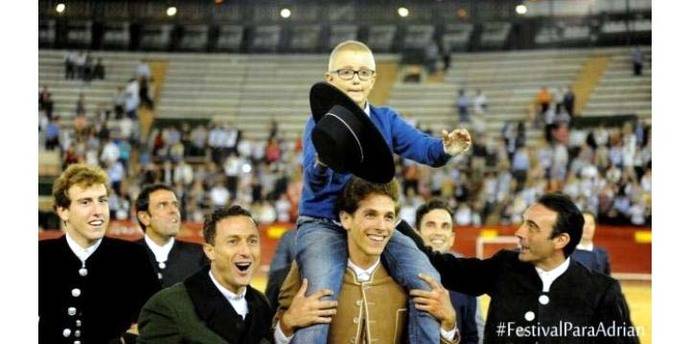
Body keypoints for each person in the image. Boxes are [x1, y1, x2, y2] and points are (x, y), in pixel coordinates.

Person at [295, 39, 472, 343]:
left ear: (374, 79)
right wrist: (324, 160)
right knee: (318, 300)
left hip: (376, 223)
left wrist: (446, 148)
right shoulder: (317, 123)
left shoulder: (386, 119)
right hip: (323, 223)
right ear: (330, 79)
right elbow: (315, 180)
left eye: (364, 73)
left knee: (427, 284)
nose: (355, 79)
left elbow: (425, 149)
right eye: (347, 72)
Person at [398, 193, 639, 343]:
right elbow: (444, 266)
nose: (519, 232)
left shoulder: (602, 292)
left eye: (532, 227)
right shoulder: (505, 265)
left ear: (560, 240)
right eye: (524, 222)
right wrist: (395, 222)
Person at [275, 177, 460, 344]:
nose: (381, 227)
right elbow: (268, 336)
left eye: (388, 217)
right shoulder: (309, 268)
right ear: (346, 218)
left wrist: (449, 325)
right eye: (370, 215)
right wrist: (287, 324)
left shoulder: (410, 278)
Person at [39, 163, 160, 343]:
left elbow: (158, 320)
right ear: (63, 211)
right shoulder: (40, 256)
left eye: (102, 200)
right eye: (86, 202)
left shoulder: (133, 257)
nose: (98, 212)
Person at [138, 205, 273, 343]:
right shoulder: (168, 306)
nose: (246, 251)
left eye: (252, 241)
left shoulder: (261, 303)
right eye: (233, 241)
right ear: (210, 251)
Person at [415, 199, 483, 344]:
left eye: (445, 226)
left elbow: (472, 338)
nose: (438, 232)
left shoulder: (466, 282)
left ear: (452, 238)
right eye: (431, 225)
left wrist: (449, 326)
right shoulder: (398, 275)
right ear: (416, 234)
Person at [135, 183, 207, 288]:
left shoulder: (200, 256)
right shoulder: (124, 257)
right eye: (162, 205)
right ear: (145, 217)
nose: (173, 210)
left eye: (175, 205)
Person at [571, 211, 611, 275]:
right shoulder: (567, 253)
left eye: (591, 224)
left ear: (595, 227)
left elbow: (607, 282)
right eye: (584, 223)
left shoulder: (602, 254)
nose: (587, 227)